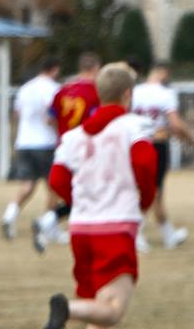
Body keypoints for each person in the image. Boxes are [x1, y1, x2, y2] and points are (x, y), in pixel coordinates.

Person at [42, 62, 158, 329]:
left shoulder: (74, 136)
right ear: (128, 94)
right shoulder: (134, 126)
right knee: (113, 309)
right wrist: (144, 200)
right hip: (116, 227)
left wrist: (79, 202)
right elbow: (145, 163)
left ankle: (70, 309)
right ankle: (66, 309)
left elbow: (57, 179)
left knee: (95, 303)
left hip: (81, 228)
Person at [131, 60, 194, 251]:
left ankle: (167, 233)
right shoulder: (166, 94)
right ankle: (136, 232)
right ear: (163, 72)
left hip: (135, 143)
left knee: (146, 189)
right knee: (154, 190)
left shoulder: (135, 91)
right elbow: (175, 123)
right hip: (157, 144)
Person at [33, 52, 102, 253]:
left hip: (64, 146)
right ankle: (49, 221)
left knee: (74, 193)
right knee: (89, 193)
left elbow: (49, 118)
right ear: (96, 68)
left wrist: (63, 131)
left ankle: (50, 222)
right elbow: (97, 122)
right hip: (86, 148)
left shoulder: (63, 90)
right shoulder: (96, 92)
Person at [0, 56, 61, 241]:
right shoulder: (53, 89)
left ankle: (9, 214)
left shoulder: (25, 88)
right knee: (55, 187)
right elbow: (51, 117)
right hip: (45, 143)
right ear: (55, 69)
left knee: (27, 185)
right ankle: (48, 226)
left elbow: (16, 114)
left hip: (24, 142)